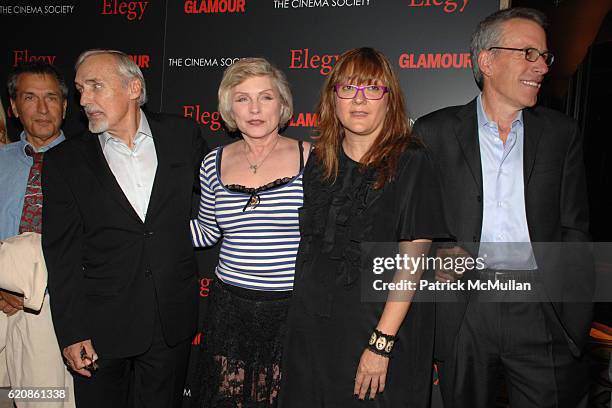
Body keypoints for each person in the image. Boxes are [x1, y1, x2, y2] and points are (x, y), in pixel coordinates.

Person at [413, 8, 592, 408]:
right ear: (487, 61)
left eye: (544, 56)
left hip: (540, 308)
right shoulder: (432, 132)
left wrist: (573, 316)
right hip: (464, 311)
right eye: (528, 53)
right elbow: (417, 223)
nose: (541, 67)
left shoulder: (562, 134)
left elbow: (575, 227)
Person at [279, 47, 449, 407]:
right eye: (348, 88)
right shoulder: (320, 161)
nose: (359, 99)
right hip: (312, 331)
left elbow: (413, 262)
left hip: (379, 331)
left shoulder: (412, 160)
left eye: (372, 89)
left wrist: (381, 343)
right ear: (333, 98)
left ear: (389, 100)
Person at [41, 49, 208, 408]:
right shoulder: (65, 161)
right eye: (80, 89)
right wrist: (72, 332)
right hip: (100, 328)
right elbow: (62, 254)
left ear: (133, 87)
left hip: (170, 320)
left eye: (96, 86)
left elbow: (221, 193)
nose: (84, 100)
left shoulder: (183, 135)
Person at [190, 57, 310, 408]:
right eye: (242, 98)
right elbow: (205, 232)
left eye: (266, 97)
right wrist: (146, 231)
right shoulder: (212, 162)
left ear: (282, 104)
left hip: (290, 310)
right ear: (229, 108)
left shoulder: (313, 160)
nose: (255, 108)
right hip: (229, 309)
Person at [0, 61, 74, 407]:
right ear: (14, 107)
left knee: (42, 399)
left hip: (51, 307)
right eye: (30, 98)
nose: (43, 109)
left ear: (65, 105)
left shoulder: (89, 164)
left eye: (51, 98)